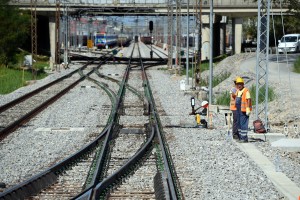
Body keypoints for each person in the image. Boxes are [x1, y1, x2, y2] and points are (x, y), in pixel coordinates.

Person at [235, 77, 252, 142]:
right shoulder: (238, 91)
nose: (239, 85)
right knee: (239, 123)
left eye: (240, 84)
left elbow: (249, 99)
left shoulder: (245, 91)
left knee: (243, 124)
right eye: (237, 84)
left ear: (243, 84)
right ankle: (240, 137)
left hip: (244, 111)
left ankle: (244, 138)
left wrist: (248, 108)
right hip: (238, 110)